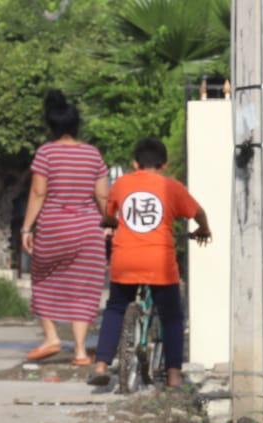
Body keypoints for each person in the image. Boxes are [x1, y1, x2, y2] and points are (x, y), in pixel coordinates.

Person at [88, 137, 210, 389]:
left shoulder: (121, 184)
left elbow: (109, 216)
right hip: (160, 263)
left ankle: (101, 364)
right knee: (172, 318)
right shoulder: (171, 187)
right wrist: (203, 229)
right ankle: (174, 375)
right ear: (164, 165)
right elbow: (198, 212)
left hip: (125, 260)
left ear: (135, 163)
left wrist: (111, 225)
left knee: (115, 309)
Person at [21, 91, 109, 366]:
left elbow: (38, 193)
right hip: (88, 230)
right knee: (85, 285)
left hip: (54, 227)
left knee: (42, 277)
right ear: (76, 125)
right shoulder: (93, 155)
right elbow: (103, 197)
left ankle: (51, 337)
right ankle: (81, 351)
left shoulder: (46, 152)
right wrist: (110, 224)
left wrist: (26, 228)